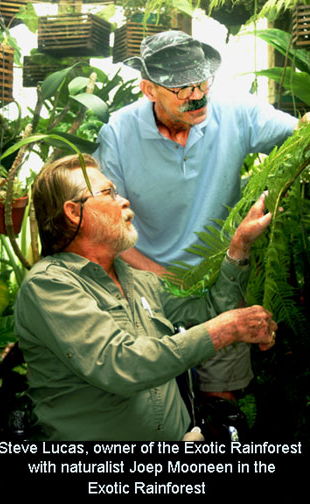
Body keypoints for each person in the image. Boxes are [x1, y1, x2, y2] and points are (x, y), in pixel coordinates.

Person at [95, 30, 307, 413]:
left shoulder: (237, 111)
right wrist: (164, 277)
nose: (197, 94)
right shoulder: (118, 133)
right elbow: (106, 227)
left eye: (201, 81)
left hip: (223, 280)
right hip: (146, 286)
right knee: (153, 406)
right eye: (181, 88)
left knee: (220, 405)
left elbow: (299, 136)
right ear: (148, 89)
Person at [14, 153, 276, 441]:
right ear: (74, 213)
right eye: (109, 193)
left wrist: (239, 246)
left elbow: (212, 310)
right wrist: (225, 330)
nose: (124, 201)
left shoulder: (140, 281)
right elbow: (120, 365)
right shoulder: (49, 285)